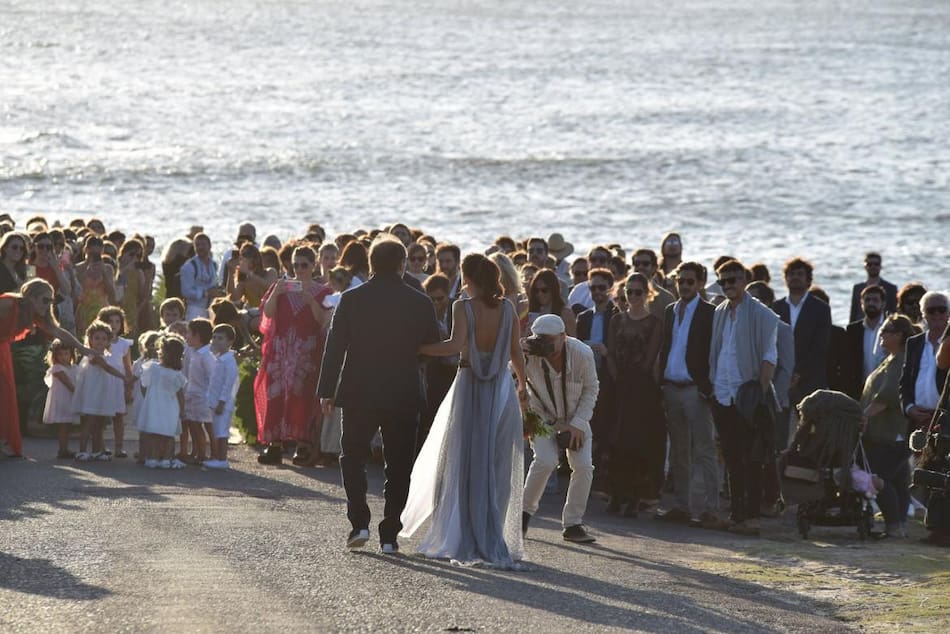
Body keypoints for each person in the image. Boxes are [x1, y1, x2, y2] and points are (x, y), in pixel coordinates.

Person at [401, 254, 527, 567]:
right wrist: (524, 385)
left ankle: (461, 532)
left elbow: (454, 345)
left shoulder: (463, 307)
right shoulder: (508, 308)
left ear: (468, 277)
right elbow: (515, 350)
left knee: (461, 458)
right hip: (500, 389)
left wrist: (419, 348)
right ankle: (489, 530)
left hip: (469, 385)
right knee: (494, 462)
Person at [318, 236, 440, 552]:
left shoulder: (351, 299)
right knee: (399, 464)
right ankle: (389, 534)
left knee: (352, 456)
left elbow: (335, 347)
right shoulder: (419, 302)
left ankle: (359, 521)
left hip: (359, 389)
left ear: (371, 264)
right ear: (402, 265)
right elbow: (430, 346)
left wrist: (326, 389)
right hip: (403, 389)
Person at [708, 260, 779, 536]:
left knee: (752, 459)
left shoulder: (762, 315)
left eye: (733, 280)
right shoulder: (720, 313)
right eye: (723, 281)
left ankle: (751, 516)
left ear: (745, 280)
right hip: (723, 393)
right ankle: (737, 514)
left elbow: (769, 358)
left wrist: (758, 394)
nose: (727, 285)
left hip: (748, 397)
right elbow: (719, 353)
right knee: (731, 457)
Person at [522, 314, 600, 544]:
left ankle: (573, 524)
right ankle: (523, 516)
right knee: (545, 461)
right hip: (540, 415)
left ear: (563, 337)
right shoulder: (530, 353)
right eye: (539, 338)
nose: (544, 344)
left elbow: (591, 389)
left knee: (584, 466)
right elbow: (508, 374)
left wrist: (578, 424)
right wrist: (516, 352)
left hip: (575, 416)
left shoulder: (582, 353)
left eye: (549, 340)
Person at [655, 262, 720, 526]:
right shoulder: (671, 310)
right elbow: (667, 345)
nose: (684, 286)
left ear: (701, 283)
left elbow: (714, 352)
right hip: (672, 386)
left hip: (695, 389)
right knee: (679, 451)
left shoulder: (710, 313)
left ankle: (711, 509)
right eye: (680, 281)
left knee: (705, 449)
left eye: (690, 281)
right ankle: (682, 506)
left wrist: (708, 386)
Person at [255, 246, 332, 466]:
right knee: (276, 395)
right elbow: (267, 314)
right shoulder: (281, 288)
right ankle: (275, 444)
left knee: (303, 397)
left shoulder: (322, 292)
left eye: (304, 265)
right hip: (281, 352)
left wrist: (309, 300)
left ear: (313, 265)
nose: (299, 270)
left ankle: (303, 444)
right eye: (295, 265)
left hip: (306, 352)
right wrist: (276, 293)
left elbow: (322, 321)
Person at [0, 279, 95, 457]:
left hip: (2, 350)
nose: (49, 304)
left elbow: (59, 332)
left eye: (51, 301)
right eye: (45, 300)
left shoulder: (36, 315)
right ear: (31, 297)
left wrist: (83, 349)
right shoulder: (8, 303)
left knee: (5, 396)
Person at [606, 272, 665, 516]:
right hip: (619, 385)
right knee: (616, 441)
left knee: (638, 444)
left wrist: (640, 384)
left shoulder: (655, 323)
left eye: (638, 292)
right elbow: (610, 352)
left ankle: (635, 497)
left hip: (642, 388)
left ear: (647, 293)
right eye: (629, 292)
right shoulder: (616, 321)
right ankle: (616, 495)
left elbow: (651, 358)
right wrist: (616, 379)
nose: (633, 297)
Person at [861, 314, 918, 538]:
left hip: (891, 434)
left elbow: (887, 397)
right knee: (898, 480)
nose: (881, 334)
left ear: (899, 335)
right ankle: (899, 526)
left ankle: (894, 525)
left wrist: (862, 417)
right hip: (889, 434)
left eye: (886, 331)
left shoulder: (900, 361)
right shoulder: (891, 359)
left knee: (879, 478)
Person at [576, 267, 618, 483]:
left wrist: (606, 351)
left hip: (608, 376)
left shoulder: (617, 315)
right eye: (593, 287)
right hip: (586, 376)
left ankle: (603, 471)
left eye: (602, 287)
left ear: (610, 289)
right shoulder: (583, 317)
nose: (597, 291)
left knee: (606, 424)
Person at [773, 258, 831, 409]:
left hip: (810, 379)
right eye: (791, 274)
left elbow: (820, 346)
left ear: (808, 280)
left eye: (800, 274)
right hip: (780, 377)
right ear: (785, 279)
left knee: (809, 428)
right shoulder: (775, 308)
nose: (795, 277)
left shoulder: (821, 308)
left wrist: (798, 373)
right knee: (780, 427)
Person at [72, 320, 128, 462]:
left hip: (102, 394)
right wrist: (124, 377)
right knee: (89, 422)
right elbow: (107, 368)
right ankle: (82, 450)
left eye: (104, 339)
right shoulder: (93, 355)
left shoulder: (105, 355)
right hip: (93, 395)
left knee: (100, 423)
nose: (100, 341)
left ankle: (97, 450)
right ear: (90, 339)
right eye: (96, 338)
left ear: (108, 341)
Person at [900, 291, 950, 434]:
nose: (937, 314)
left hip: (945, 420)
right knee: (915, 456)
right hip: (918, 420)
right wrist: (909, 408)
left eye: (942, 309)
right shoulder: (914, 343)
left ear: (948, 313)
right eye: (931, 310)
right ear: (923, 314)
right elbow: (905, 381)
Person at [139, 334, 188, 469]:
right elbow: (180, 395)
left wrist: (148, 399)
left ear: (163, 352)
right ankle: (166, 459)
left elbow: (144, 386)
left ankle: (153, 458)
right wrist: (182, 411)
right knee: (167, 434)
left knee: (154, 434)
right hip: (170, 408)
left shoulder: (152, 368)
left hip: (154, 406)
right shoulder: (176, 374)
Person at [97, 306, 134, 458]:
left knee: (118, 417)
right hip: (102, 382)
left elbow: (128, 366)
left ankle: (119, 448)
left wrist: (129, 386)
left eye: (117, 321)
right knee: (99, 416)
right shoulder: (99, 341)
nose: (114, 325)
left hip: (118, 383)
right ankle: (101, 447)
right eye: (110, 321)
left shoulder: (124, 344)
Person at [204, 324, 239, 469]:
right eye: (214, 337)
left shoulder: (229, 361)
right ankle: (217, 457)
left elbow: (228, 383)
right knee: (217, 429)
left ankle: (222, 459)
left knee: (221, 431)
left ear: (230, 342)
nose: (216, 341)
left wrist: (222, 402)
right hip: (214, 401)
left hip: (222, 403)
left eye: (220, 338)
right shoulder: (219, 358)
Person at [843, 285, 887, 400]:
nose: (871, 303)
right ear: (861, 304)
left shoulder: (891, 327)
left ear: (883, 304)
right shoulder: (852, 330)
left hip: (885, 387)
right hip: (859, 389)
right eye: (867, 300)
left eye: (875, 300)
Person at [184, 318, 215, 463]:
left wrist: (210, 397)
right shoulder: (195, 352)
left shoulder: (206, 355)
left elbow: (211, 377)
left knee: (204, 425)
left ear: (197, 336)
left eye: (189, 333)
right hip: (193, 394)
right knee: (194, 425)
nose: (186, 337)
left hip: (203, 396)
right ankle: (198, 452)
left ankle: (206, 454)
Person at [43, 339, 79, 459]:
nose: (64, 357)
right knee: (63, 425)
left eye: (66, 354)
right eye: (60, 354)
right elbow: (68, 383)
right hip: (62, 400)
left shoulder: (73, 367)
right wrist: (79, 393)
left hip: (70, 399)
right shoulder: (57, 368)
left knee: (67, 425)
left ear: (71, 355)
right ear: (55, 356)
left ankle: (65, 448)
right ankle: (62, 449)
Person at [75, 236, 116, 334]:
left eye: (97, 254)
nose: (94, 256)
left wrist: (104, 273)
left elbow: (112, 294)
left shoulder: (108, 269)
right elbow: (76, 290)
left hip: (102, 310)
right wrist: (87, 267)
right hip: (84, 310)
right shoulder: (78, 268)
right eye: (92, 253)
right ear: (86, 250)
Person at [849, 252, 898, 323]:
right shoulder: (857, 288)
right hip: (860, 328)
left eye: (876, 264)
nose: (873, 267)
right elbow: (853, 313)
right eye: (869, 264)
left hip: (885, 327)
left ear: (880, 266)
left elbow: (894, 312)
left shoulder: (891, 288)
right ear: (865, 266)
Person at [180, 233, 219, 320]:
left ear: (210, 246)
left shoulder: (214, 264)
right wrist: (205, 293)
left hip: (211, 307)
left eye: (203, 244)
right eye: (197, 245)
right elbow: (186, 291)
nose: (200, 247)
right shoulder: (189, 266)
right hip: (194, 308)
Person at [526, 269, 576, 337]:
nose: (539, 294)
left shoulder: (565, 313)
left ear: (553, 289)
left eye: (544, 290)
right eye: (536, 290)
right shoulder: (532, 313)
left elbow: (574, 342)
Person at [631, 249, 676, 320]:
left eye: (645, 264)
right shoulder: (622, 294)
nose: (640, 267)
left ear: (654, 268)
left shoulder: (666, 298)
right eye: (637, 263)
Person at [229, 243, 277, 309]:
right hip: (253, 314)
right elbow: (234, 297)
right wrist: (230, 271)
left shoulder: (270, 272)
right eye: (240, 255)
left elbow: (270, 286)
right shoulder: (244, 281)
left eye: (245, 255)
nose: (241, 258)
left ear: (254, 257)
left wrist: (249, 273)